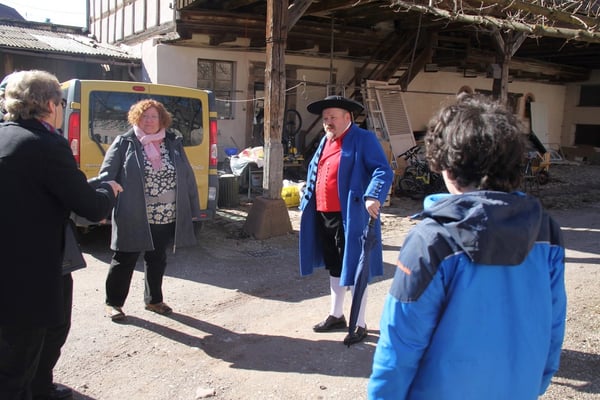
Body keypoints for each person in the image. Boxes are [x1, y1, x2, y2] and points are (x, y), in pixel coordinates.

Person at [368, 93, 567, 399]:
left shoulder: (433, 238)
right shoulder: (545, 229)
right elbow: (554, 321)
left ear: (445, 163)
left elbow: (401, 341)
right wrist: (538, 380)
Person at [0, 70, 121, 400]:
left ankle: (40, 386)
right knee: (24, 350)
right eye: (61, 103)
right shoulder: (46, 144)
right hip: (33, 266)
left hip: (13, 259)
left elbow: (39, 188)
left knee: (36, 337)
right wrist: (108, 190)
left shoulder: (6, 136)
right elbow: (89, 208)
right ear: (51, 104)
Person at [299, 95, 394, 345]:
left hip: (350, 216)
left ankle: (359, 323)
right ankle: (337, 314)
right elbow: (318, 169)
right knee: (335, 266)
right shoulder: (326, 140)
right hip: (324, 214)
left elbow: (383, 170)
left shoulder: (363, 139)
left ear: (347, 117)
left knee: (355, 268)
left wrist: (373, 195)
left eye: (332, 117)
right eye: (325, 118)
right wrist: (307, 188)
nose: (327, 122)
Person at [95, 99, 202, 321]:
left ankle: (154, 300)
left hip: (165, 213)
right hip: (133, 213)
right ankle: (113, 303)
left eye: (154, 116)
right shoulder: (124, 142)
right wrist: (103, 205)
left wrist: (193, 207)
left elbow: (187, 176)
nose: (149, 120)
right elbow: (107, 176)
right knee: (124, 258)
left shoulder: (172, 142)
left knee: (157, 258)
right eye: (144, 116)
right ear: (137, 118)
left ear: (162, 119)